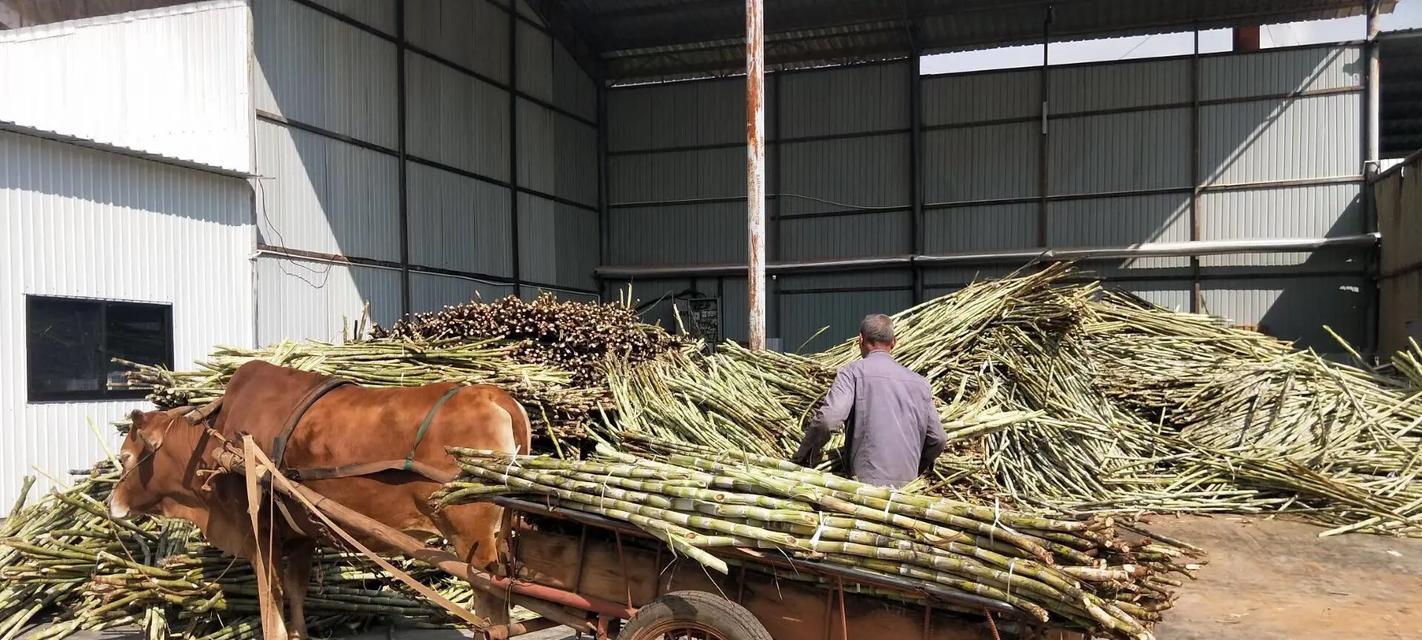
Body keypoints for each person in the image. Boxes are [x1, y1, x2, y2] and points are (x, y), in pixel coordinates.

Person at [791, 314, 946, 487]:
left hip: (867, 487)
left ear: (860, 339)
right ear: (894, 342)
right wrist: (916, 468)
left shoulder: (852, 373)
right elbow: (938, 439)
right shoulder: (920, 382)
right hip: (909, 489)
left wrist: (804, 454)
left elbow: (828, 420)